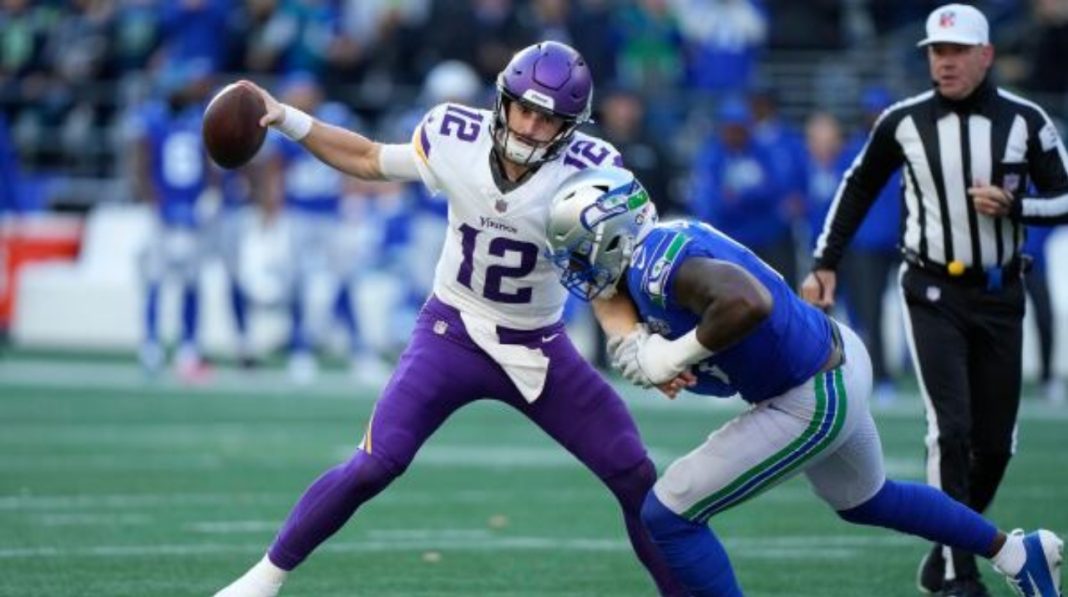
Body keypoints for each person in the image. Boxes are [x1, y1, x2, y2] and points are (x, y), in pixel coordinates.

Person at [213, 41, 687, 597]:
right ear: (503, 100)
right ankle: (262, 580)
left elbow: (616, 271)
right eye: (524, 109)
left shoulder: (594, 170)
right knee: (374, 464)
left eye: (548, 119)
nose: (531, 127)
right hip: (451, 333)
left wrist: (641, 342)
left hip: (538, 346)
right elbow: (368, 158)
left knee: (634, 474)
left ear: (571, 127)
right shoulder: (455, 135)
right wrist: (286, 118)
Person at [544, 165, 1064, 597]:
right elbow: (705, 337)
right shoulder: (652, 255)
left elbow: (747, 303)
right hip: (833, 359)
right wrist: (659, 354)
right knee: (868, 500)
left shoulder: (656, 263)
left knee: (668, 513)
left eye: (581, 251)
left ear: (614, 236)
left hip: (810, 392)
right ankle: (1019, 554)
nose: (579, 269)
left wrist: (672, 355)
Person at [800, 5, 1068, 595]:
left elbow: (1065, 195)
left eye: (957, 51)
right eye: (936, 51)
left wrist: (1016, 206)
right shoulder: (904, 121)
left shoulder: (1026, 120)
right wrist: (824, 262)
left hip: (1001, 291)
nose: (944, 62)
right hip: (931, 290)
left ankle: (949, 544)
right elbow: (858, 184)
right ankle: (957, 575)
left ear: (986, 55)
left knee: (995, 444)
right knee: (950, 430)